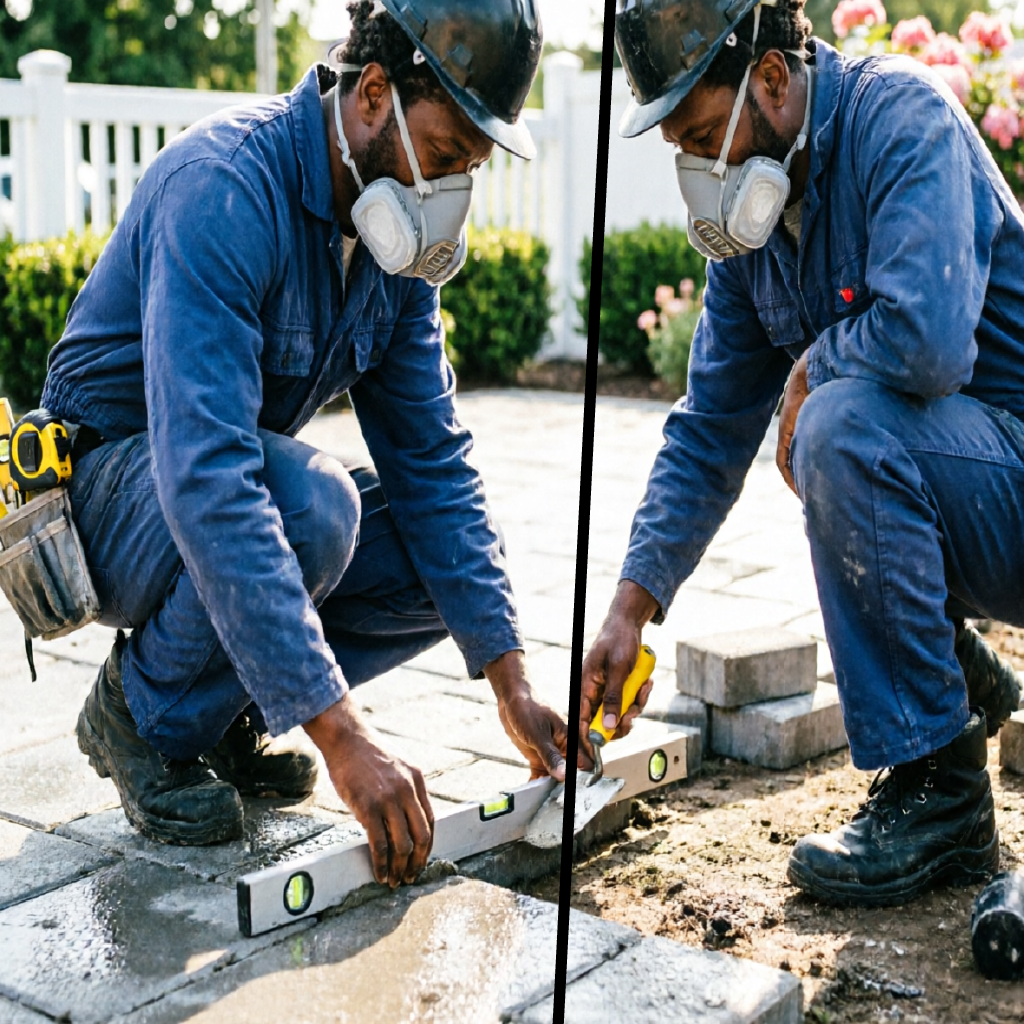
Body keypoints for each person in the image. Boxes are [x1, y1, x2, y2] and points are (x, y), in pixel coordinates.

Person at [42, 0, 567, 889]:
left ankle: (222, 708)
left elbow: (433, 463)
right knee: (313, 507)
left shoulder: (388, 240)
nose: (446, 198)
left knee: (440, 561)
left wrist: (512, 685)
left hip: (205, 491)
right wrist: (344, 738)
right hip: (102, 496)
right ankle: (138, 715)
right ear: (372, 95)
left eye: (466, 174)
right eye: (443, 159)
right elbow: (209, 478)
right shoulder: (222, 187)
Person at [582, 0, 1024, 907]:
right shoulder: (756, 232)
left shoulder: (905, 120)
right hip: (978, 493)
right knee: (838, 424)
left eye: (704, 134)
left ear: (772, 81)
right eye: (681, 151)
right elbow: (708, 427)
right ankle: (952, 678)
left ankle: (942, 792)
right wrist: (632, 609)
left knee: (838, 426)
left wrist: (814, 368)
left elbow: (931, 340)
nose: (699, 169)